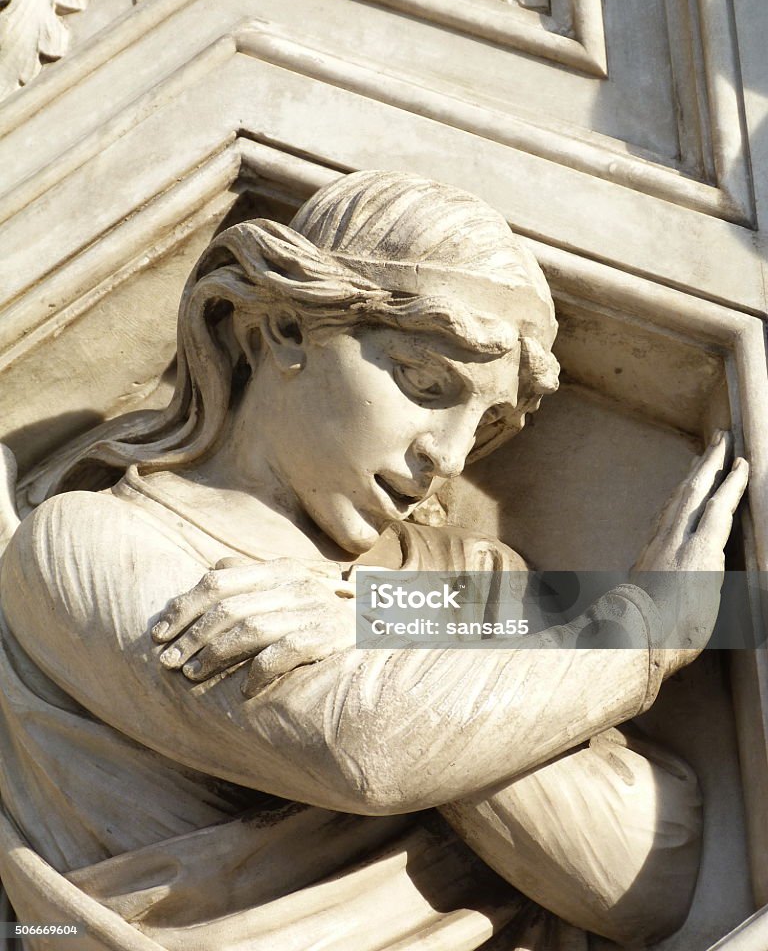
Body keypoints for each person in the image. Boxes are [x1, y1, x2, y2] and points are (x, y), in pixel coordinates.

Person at [0, 171, 748, 949]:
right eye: (426, 384)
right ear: (281, 329)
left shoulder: (461, 579)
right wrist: (641, 633)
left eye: (485, 424)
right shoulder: (88, 544)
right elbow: (355, 751)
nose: (450, 457)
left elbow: (645, 877)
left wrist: (373, 620)